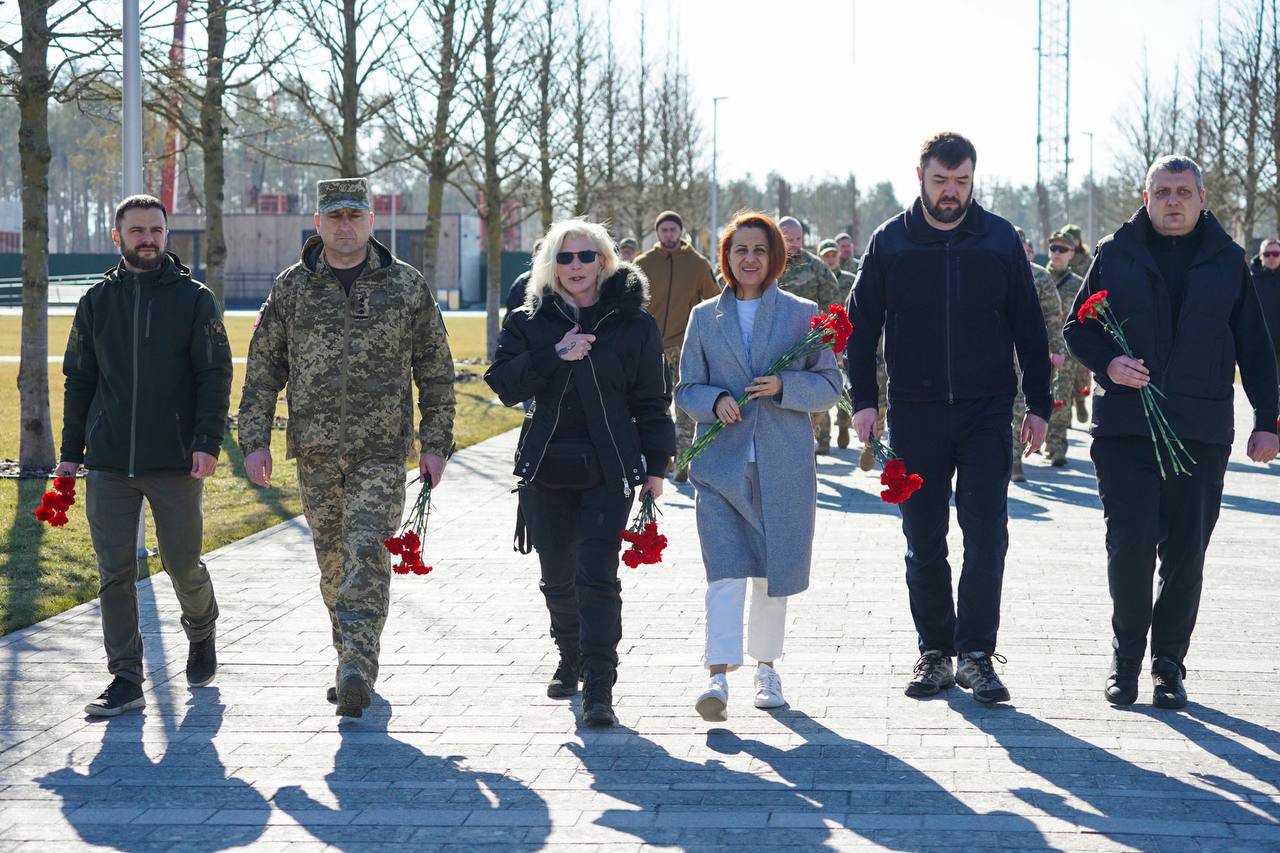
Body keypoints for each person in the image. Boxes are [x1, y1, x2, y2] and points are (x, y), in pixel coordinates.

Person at [1063, 156, 1278, 710]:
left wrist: (1268, 420)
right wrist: (1109, 364)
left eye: (1184, 191)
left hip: (1201, 430)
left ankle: (1169, 665)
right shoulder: (1116, 253)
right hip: (1126, 429)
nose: (1173, 201)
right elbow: (1077, 328)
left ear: (1202, 199)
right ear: (1146, 197)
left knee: (1186, 553)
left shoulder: (1228, 261)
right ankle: (1127, 658)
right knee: (1130, 543)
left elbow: (1255, 347)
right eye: (1163, 192)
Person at [238, 178, 456, 718]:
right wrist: (253, 440)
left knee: (366, 551)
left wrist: (436, 443)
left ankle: (357, 666)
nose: (344, 225)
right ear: (317, 224)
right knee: (333, 564)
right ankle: (347, 659)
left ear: (371, 221)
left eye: (354, 216)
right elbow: (263, 370)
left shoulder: (405, 286)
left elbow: (435, 369)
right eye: (334, 216)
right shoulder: (291, 288)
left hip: (381, 450)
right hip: (313, 450)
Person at [848, 132, 1052, 704]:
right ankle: (935, 652)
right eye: (941, 181)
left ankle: (977, 655)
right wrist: (864, 400)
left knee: (987, 535)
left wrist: (1039, 404)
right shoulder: (891, 242)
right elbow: (860, 329)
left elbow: (1029, 330)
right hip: (915, 413)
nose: (951, 193)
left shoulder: (998, 238)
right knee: (923, 539)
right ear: (920, 176)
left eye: (962, 182)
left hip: (988, 412)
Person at [485, 220, 675, 728]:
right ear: (550, 263)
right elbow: (502, 382)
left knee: (597, 574)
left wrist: (657, 465)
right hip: (546, 465)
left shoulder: (634, 323)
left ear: (605, 261)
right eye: (565, 258)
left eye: (586, 257)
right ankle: (568, 653)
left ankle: (599, 683)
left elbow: (652, 400)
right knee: (557, 577)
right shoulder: (529, 319)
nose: (576, 267)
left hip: (608, 467)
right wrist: (555, 354)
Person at [58, 194, 232, 716]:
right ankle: (126, 678)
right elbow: (79, 380)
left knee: (182, 566)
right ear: (118, 237)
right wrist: (71, 453)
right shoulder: (96, 302)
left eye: (156, 229)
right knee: (114, 572)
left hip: (175, 460)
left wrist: (205, 442)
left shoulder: (194, 299)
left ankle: (201, 629)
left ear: (166, 234)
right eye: (137, 230)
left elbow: (214, 375)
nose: (148, 238)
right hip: (109, 461)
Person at [676, 211, 841, 721]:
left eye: (760, 250)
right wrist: (714, 399)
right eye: (740, 249)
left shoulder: (801, 313)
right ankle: (719, 676)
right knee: (724, 572)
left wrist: (785, 387)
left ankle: (767, 668)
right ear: (725, 257)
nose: (749, 258)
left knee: (774, 573)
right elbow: (685, 389)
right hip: (722, 469)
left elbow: (830, 386)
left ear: (776, 258)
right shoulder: (704, 316)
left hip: (783, 466)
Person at [635, 210, 720, 483]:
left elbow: (714, 301)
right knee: (656, 406)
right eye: (664, 230)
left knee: (685, 406)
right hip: (650, 349)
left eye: (673, 229)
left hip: (685, 347)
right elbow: (632, 303)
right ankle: (659, 459)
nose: (669, 234)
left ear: (680, 232)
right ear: (657, 233)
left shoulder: (697, 263)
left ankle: (684, 460)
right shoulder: (643, 263)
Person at [777, 217, 839, 453]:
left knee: (806, 412)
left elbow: (833, 305)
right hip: (773, 349)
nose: (793, 244)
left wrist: (826, 338)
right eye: (788, 239)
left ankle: (806, 455)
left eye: (797, 239)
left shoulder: (816, 268)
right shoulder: (767, 262)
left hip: (808, 350)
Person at [1009, 227, 1066, 482]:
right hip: (995, 354)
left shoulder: (1040, 278)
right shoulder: (989, 273)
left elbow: (1054, 319)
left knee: (1022, 404)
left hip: (1028, 352)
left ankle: (1015, 459)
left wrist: (1057, 350)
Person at [1044, 230, 1086, 464]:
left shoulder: (1079, 285)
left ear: (1072, 254)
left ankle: (1057, 446)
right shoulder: (1037, 278)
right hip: (1036, 348)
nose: (1057, 253)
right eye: (1053, 248)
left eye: (1063, 249)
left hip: (1066, 351)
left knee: (1060, 397)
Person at [819, 239, 861, 450]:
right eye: (826, 255)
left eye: (833, 254)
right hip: (822, 340)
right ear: (820, 257)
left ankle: (844, 425)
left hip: (846, 339)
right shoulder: (816, 279)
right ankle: (823, 439)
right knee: (822, 389)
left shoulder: (851, 281)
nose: (830, 258)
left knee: (844, 389)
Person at [1062, 223, 1093, 423]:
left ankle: (1080, 399)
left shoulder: (1087, 262)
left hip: (1084, 315)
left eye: (1072, 238)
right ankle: (1061, 420)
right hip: (1062, 315)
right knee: (1063, 373)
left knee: (1082, 370)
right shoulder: (1061, 257)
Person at [1250, 238, 1280, 379]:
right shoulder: (1251, 282)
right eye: (1267, 254)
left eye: (1275, 253)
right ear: (1261, 256)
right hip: (1261, 349)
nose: (1271, 258)